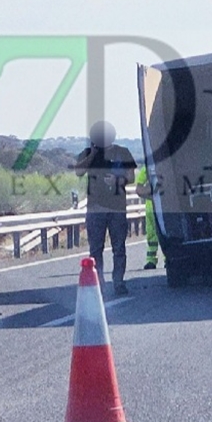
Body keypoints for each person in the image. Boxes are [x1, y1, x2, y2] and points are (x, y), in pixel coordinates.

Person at [75, 120, 136, 295]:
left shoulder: (122, 152)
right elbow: (79, 172)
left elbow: (131, 176)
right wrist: (92, 155)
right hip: (95, 208)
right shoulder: (87, 153)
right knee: (95, 249)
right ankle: (98, 282)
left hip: (117, 208)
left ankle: (118, 282)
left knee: (119, 247)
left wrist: (118, 180)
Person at [135, 166, 161, 270]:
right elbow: (139, 188)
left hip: (162, 207)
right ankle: (151, 260)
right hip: (151, 207)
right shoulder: (147, 168)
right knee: (151, 235)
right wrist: (152, 196)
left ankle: (167, 259)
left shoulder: (164, 167)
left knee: (165, 233)